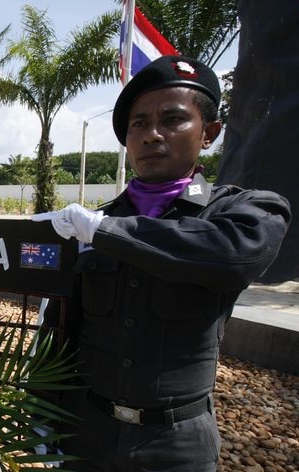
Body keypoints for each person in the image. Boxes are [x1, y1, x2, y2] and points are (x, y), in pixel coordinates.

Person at [32, 56, 291, 471]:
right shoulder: (95, 224)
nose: (152, 135)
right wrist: (42, 413)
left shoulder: (240, 209)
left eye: (172, 120)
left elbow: (234, 253)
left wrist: (105, 230)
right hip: (87, 431)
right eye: (139, 124)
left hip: (175, 443)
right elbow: (62, 328)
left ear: (209, 133)